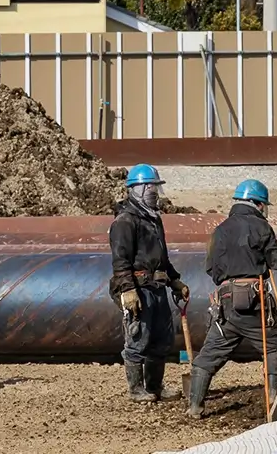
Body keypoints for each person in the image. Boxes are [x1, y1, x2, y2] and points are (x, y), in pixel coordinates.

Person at [187, 179, 277, 419]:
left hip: (226, 305)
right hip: (255, 303)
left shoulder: (220, 230)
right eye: (264, 205)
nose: (265, 210)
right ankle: (275, 402)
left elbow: (211, 269)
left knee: (210, 355)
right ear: (257, 204)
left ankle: (195, 406)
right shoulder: (261, 227)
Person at [109, 164, 189, 403]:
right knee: (138, 338)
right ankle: (136, 390)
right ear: (134, 188)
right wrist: (128, 290)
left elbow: (161, 257)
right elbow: (120, 260)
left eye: (155, 186)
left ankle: (154, 386)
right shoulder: (125, 221)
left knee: (161, 339)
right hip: (138, 288)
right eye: (148, 186)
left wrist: (175, 281)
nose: (153, 191)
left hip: (157, 288)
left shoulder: (153, 218)